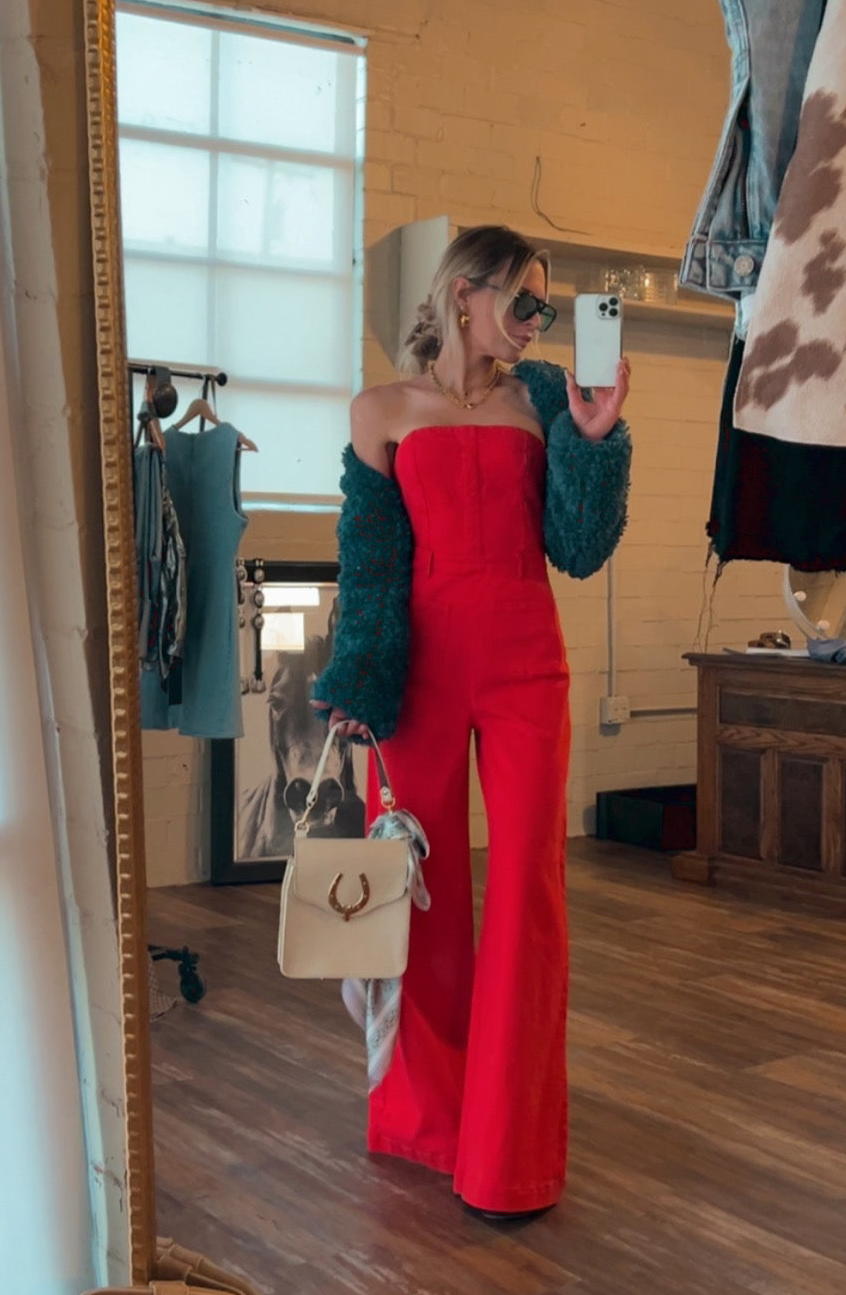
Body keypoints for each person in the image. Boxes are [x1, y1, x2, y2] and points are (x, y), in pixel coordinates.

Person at [312, 224, 631, 1221]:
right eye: (523, 302)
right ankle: (429, 1122)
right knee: (423, 889)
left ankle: (509, 1155)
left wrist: (597, 437)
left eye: (546, 307)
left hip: (528, 664)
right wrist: (358, 681)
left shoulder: (546, 403)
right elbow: (371, 563)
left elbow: (579, 548)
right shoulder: (381, 411)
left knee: (531, 888)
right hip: (421, 671)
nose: (536, 322)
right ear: (465, 295)